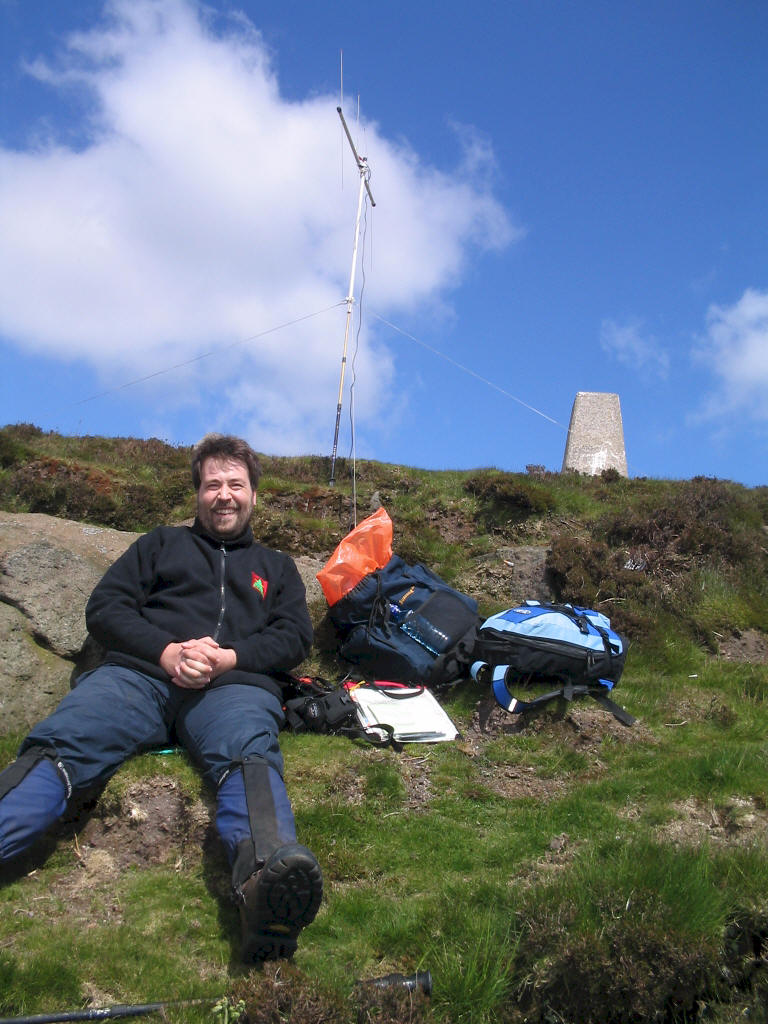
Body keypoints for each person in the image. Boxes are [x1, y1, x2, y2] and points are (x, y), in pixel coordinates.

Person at [0, 433, 322, 963]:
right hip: (138, 678)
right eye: (212, 484)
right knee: (68, 739)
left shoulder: (278, 566)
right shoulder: (158, 544)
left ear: (254, 495)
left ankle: (266, 881)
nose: (224, 494)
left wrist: (228, 658)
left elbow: (294, 638)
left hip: (233, 688)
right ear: (197, 493)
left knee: (249, 750)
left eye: (235, 485)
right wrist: (167, 651)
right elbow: (105, 609)